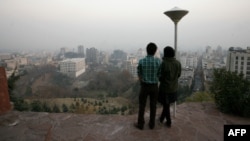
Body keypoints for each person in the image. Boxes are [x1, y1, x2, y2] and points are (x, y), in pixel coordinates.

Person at [134, 42, 161, 130]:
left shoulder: (142, 61)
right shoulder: (158, 62)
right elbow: (160, 74)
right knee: (153, 105)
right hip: (154, 86)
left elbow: (139, 73)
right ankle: (152, 124)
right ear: (155, 51)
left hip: (144, 86)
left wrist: (142, 81)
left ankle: (140, 124)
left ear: (146, 51)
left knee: (142, 105)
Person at [158, 46, 181, 127]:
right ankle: (161, 118)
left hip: (165, 88)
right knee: (166, 105)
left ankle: (169, 121)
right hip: (174, 88)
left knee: (166, 105)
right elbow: (178, 75)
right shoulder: (178, 63)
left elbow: (161, 76)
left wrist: (162, 80)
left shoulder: (164, 63)